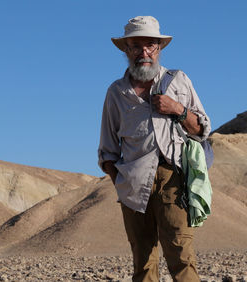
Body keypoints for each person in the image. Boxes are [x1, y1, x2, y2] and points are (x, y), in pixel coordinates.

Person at [98, 16, 210, 282]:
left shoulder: (179, 81)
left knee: (182, 258)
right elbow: (107, 151)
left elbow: (203, 130)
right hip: (133, 186)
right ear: (126, 50)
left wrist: (178, 110)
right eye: (136, 46)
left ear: (160, 48)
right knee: (143, 263)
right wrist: (121, 183)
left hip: (173, 179)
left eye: (150, 46)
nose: (144, 53)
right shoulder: (116, 93)